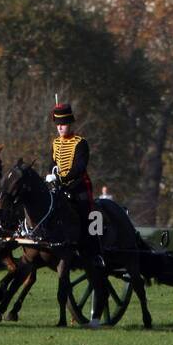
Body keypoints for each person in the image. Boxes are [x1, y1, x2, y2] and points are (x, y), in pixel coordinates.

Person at [46, 103, 101, 264]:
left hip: (78, 185)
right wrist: (51, 174)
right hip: (59, 187)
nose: (60, 128)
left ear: (70, 124)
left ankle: (95, 251)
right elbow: (53, 163)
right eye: (58, 125)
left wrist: (62, 178)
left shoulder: (80, 143)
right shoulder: (55, 143)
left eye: (63, 124)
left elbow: (79, 167)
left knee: (88, 214)